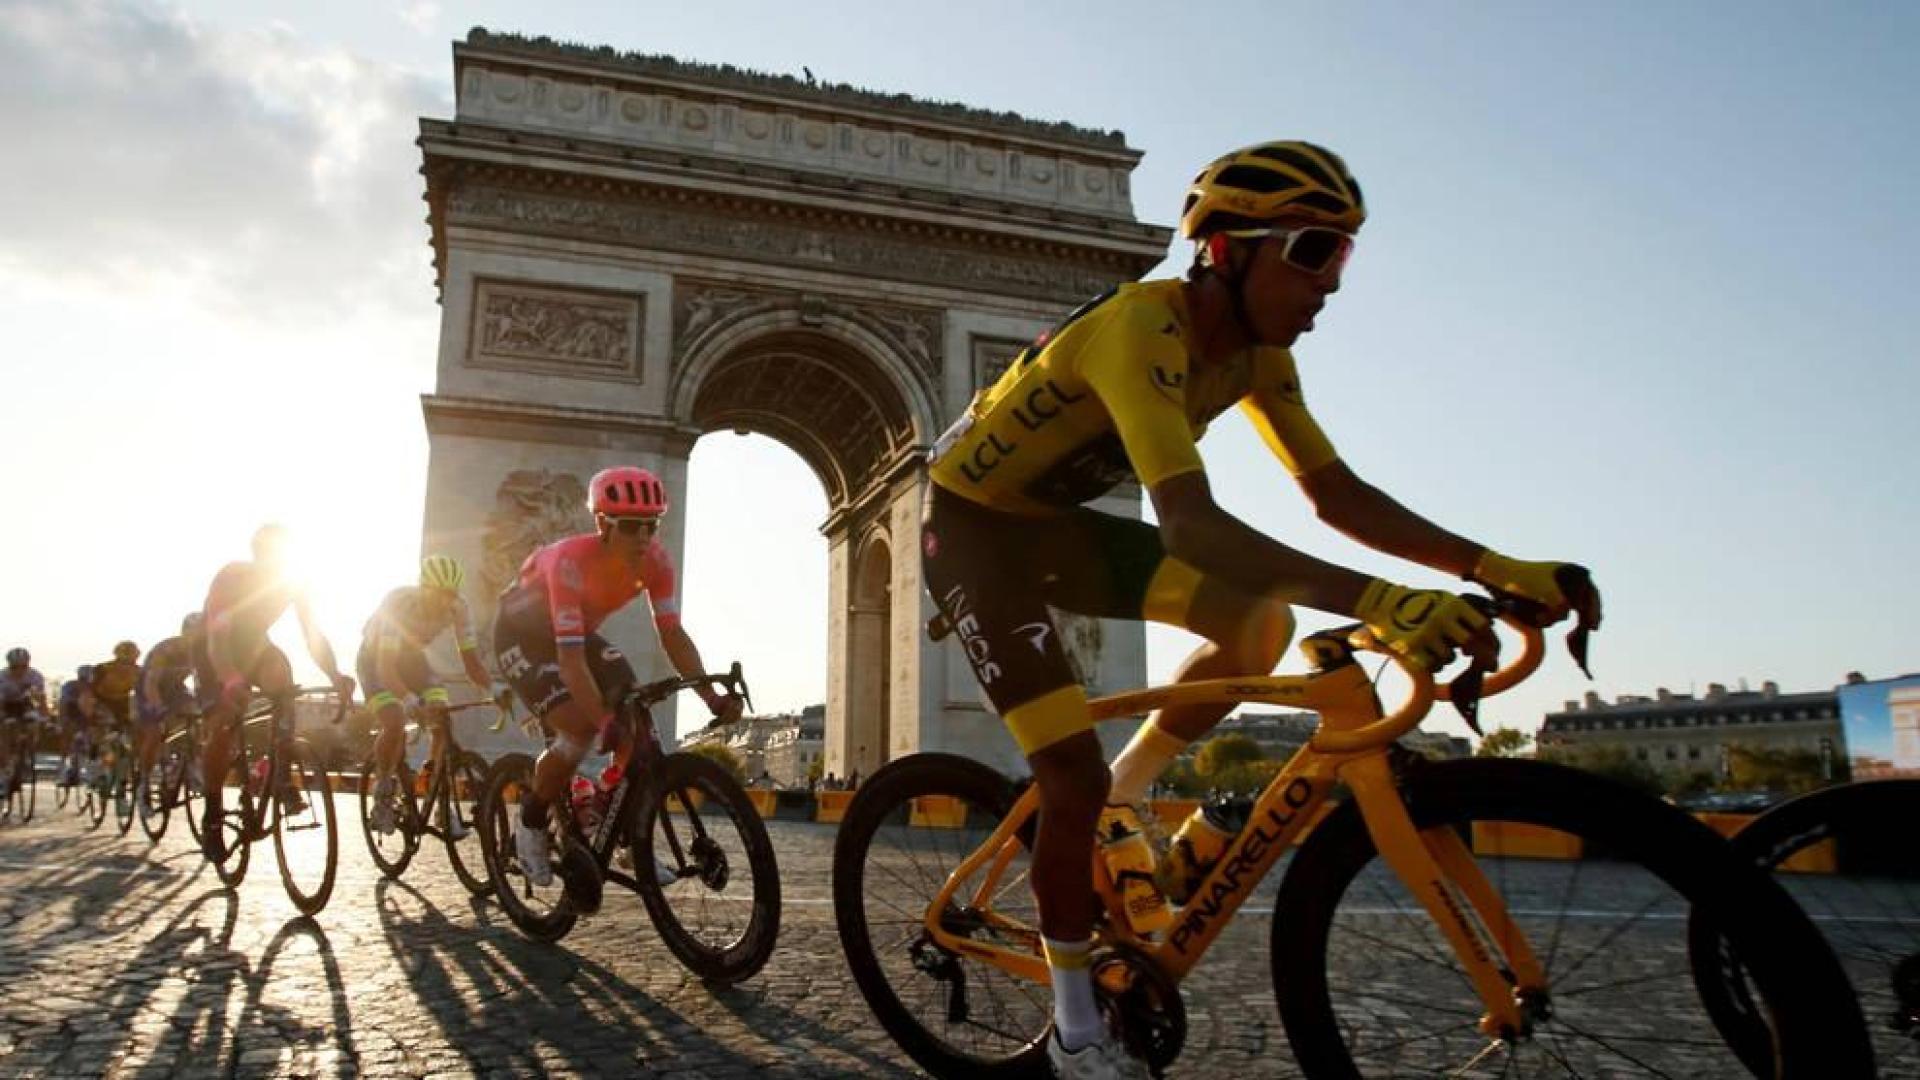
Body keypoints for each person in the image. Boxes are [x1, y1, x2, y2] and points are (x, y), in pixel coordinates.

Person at [920, 141, 1601, 1078]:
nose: (1332, 282)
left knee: (1258, 627)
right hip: (973, 531)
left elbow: (1336, 495)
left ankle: (1130, 792)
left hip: (1061, 528)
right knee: (1065, 777)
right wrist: (1383, 599)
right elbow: (1194, 528)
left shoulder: (1258, 357)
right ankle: (1075, 1030)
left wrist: (1495, 563)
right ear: (1227, 251)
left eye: (1346, 256)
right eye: (1314, 251)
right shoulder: (1139, 328)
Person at [493, 466, 742, 890]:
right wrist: (600, 720)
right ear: (603, 524)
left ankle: (626, 837)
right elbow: (570, 662)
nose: (644, 537)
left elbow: (673, 635)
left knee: (631, 711)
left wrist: (711, 697)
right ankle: (531, 822)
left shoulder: (658, 561)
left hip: (576, 633)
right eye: (631, 527)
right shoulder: (568, 561)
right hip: (523, 637)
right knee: (580, 725)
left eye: (652, 525)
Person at [196, 524, 355, 859]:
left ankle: (281, 776)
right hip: (215, 648)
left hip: (255, 644)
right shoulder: (232, 577)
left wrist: (334, 672)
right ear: (257, 554)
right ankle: (212, 813)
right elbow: (218, 640)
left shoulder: (294, 583)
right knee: (223, 721)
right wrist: (230, 678)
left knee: (282, 678)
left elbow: (312, 634)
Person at [360, 554, 498, 836]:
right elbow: (386, 669)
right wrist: (410, 701)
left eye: (451, 595)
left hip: (412, 660)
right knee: (395, 720)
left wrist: (496, 689)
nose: (444, 602)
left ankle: (436, 792)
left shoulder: (459, 609)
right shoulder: (398, 605)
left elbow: (471, 662)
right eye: (439, 595)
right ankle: (384, 792)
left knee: (441, 715)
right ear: (423, 588)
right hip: (376, 660)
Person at [135, 615, 202, 778]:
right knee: (155, 732)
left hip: (175, 688)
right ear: (185, 633)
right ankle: (143, 779)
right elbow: (151, 682)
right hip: (149, 688)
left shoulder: (202, 651)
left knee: (198, 717)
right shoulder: (167, 649)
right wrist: (159, 708)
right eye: (194, 634)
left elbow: (202, 680)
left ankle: (189, 759)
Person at [0, 647, 49, 800]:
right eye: (15, 667)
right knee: (6, 728)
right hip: (6, 705)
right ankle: (6, 767)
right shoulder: (2, 677)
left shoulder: (35, 676)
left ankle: (28, 750)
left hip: (25, 705)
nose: (20, 670)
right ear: (9, 665)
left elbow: (41, 700)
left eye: (24, 666)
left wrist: (45, 719)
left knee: (33, 721)